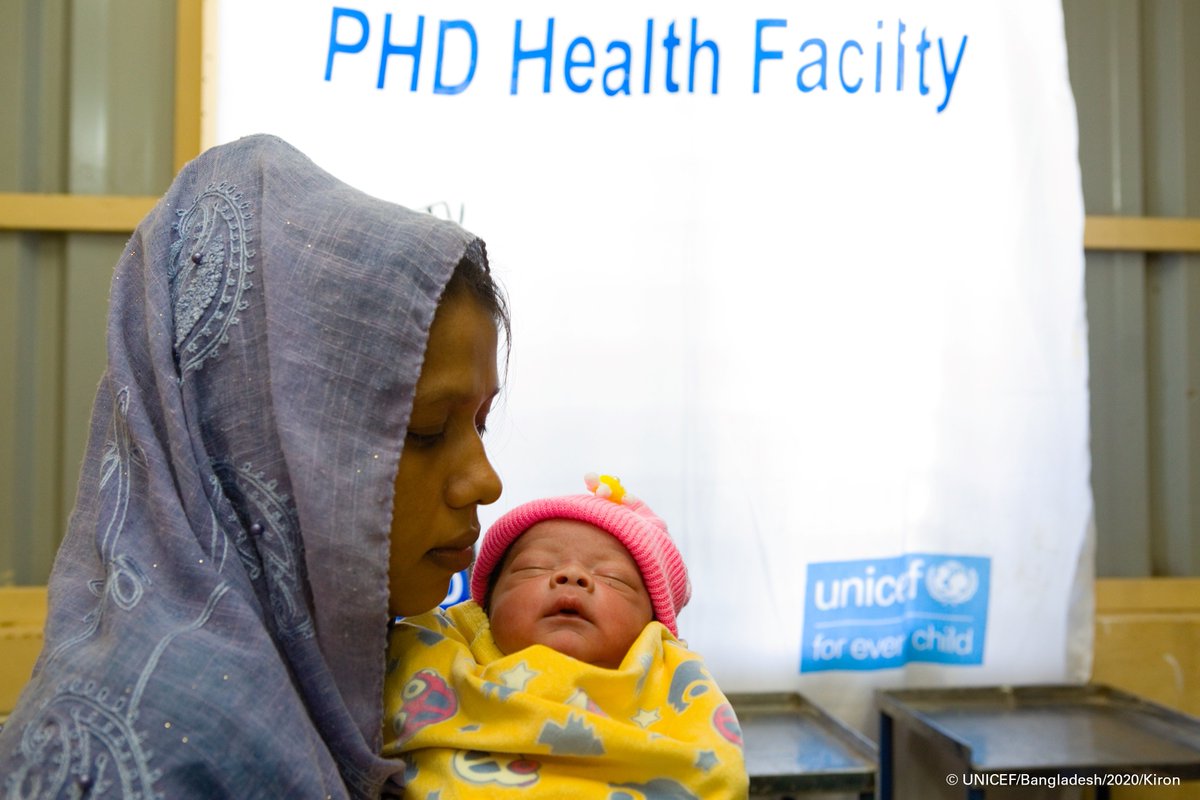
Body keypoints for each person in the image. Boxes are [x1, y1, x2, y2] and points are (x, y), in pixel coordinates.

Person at [0, 134, 508, 799]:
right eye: (425, 431)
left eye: (481, 423)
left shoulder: (382, 685)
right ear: (270, 448)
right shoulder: (147, 754)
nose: (486, 481)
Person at [383, 474, 748, 799]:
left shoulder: (674, 679)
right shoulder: (438, 646)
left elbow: (716, 772)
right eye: (534, 567)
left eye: (613, 577)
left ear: (653, 624)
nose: (572, 576)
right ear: (486, 606)